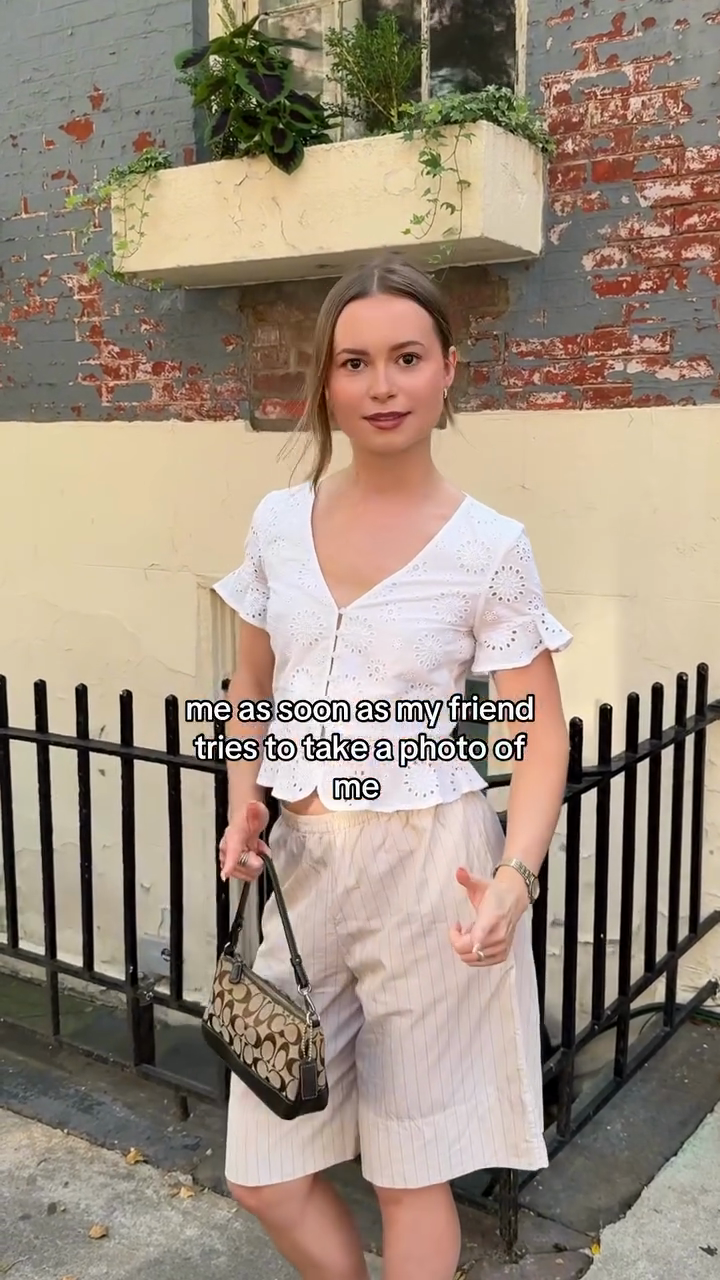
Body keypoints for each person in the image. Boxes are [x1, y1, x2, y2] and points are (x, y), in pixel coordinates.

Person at [212, 254, 572, 1280]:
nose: (381, 384)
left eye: (406, 357)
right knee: (265, 1168)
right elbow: (249, 690)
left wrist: (516, 875)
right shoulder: (278, 524)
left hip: (435, 870)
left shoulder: (489, 545)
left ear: (448, 368)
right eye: (355, 361)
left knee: (413, 1171)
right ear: (325, 381)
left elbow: (537, 731)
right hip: (301, 867)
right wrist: (246, 799)